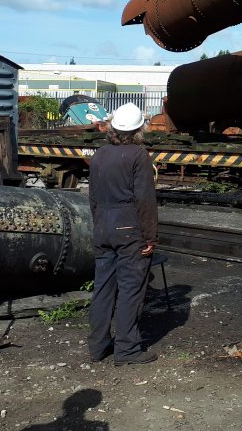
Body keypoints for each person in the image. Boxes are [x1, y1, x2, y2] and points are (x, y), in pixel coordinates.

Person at [87, 102, 159, 365]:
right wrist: (150, 237)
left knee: (103, 287)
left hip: (103, 227)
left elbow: (93, 197)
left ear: (113, 127)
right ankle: (127, 350)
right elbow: (145, 200)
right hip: (129, 229)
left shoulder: (100, 154)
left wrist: (99, 226)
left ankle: (98, 346)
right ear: (140, 128)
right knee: (130, 288)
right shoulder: (139, 155)